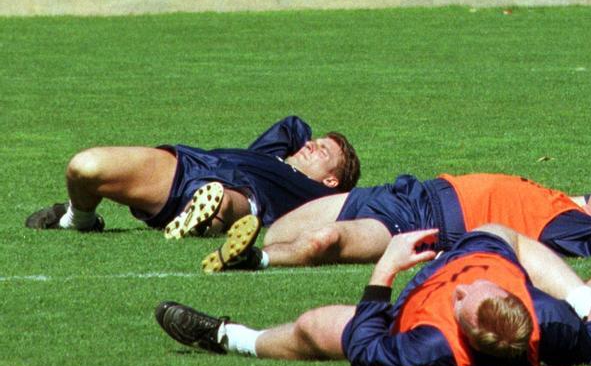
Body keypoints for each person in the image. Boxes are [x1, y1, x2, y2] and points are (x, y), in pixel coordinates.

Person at [157, 225, 591, 366]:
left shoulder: (430, 347)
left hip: (405, 310)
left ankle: (229, 337)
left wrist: (386, 268)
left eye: (466, 296)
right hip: (488, 247)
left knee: (316, 327)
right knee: (501, 233)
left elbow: (367, 349)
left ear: (462, 330)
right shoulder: (550, 324)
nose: (467, 285)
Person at [201, 172, 591, 273]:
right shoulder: (562, 198)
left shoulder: (575, 225)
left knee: (324, 240)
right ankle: (223, 221)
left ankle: (252, 260)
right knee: (281, 225)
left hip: (424, 220)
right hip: (407, 192)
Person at [24, 116, 361, 237]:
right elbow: (293, 125)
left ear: (331, 180)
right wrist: (311, 146)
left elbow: (360, 205)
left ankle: (206, 216)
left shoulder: (315, 197)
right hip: (188, 165)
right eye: (314, 143)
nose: (311, 146)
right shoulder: (269, 155)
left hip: (244, 196)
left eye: (323, 152)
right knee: (84, 167)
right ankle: (78, 219)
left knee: (229, 199)